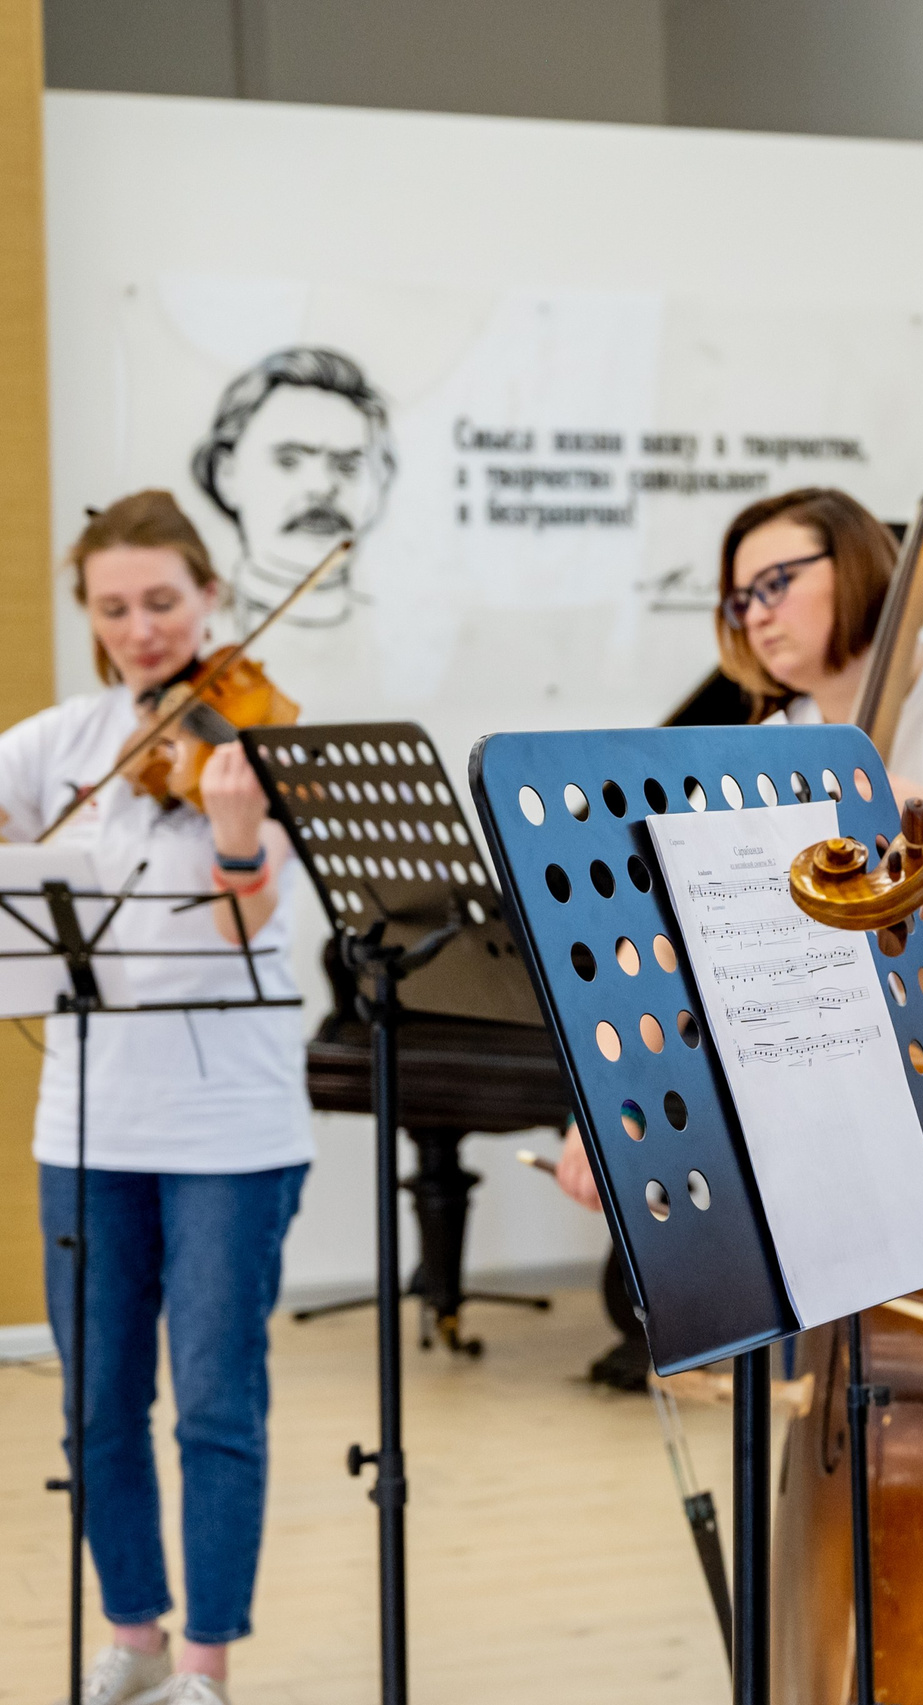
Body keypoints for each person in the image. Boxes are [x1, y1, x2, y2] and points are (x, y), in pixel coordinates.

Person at [552, 486, 923, 1705]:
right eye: (736, 597)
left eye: (777, 580)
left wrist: (910, 819)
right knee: (875, 1417)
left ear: (859, 567)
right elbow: (687, 935)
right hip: (860, 1116)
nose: (754, 614)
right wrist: (609, 1097)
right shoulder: (768, 740)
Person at [0, 491, 310, 1705]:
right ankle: (131, 1635)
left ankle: (204, 1666)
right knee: (96, 1404)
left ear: (211, 598)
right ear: (88, 611)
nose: (140, 629)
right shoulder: (55, 741)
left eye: (163, 603)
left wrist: (238, 830)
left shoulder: (261, 740)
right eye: (114, 606)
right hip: (85, 1116)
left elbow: (250, 919)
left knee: (216, 1401)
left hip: (230, 1122)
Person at [189, 346, 394, 628]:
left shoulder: (404, 636)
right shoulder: (188, 638)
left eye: (347, 466)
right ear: (227, 475)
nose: (323, 487)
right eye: (288, 461)